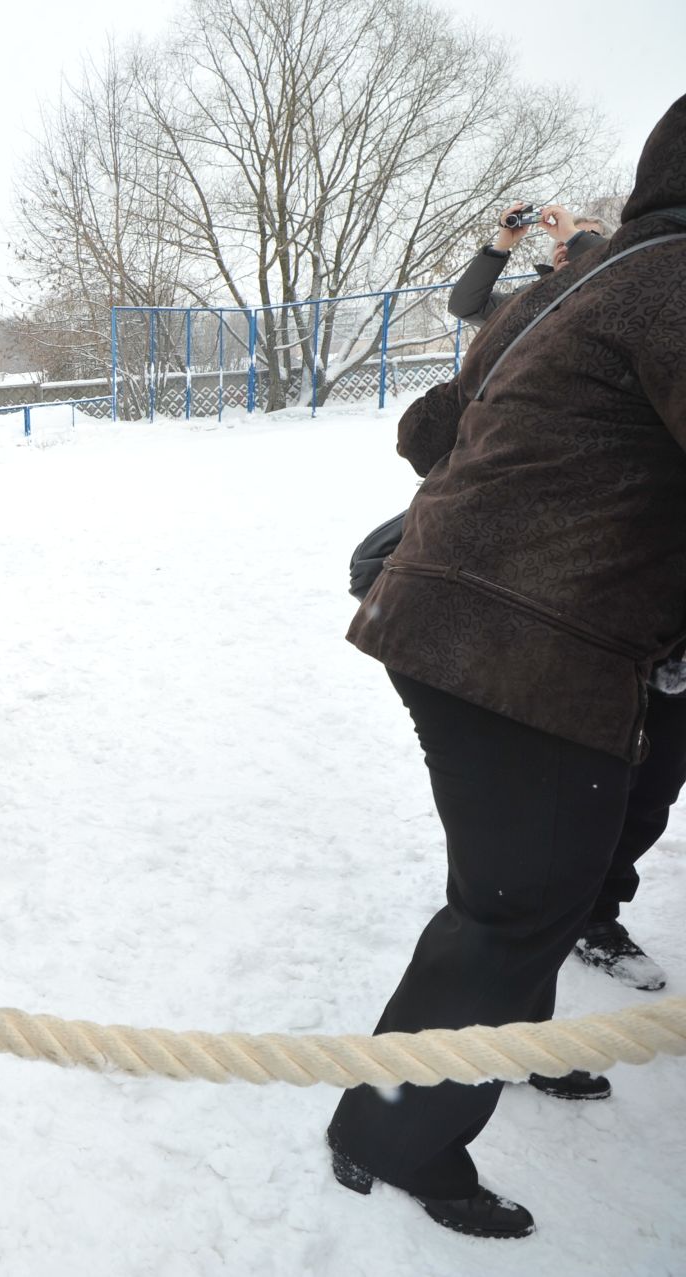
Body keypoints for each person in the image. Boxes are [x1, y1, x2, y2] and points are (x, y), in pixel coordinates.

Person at [327, 95, 686, 1240]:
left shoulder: (595, 275)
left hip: (464, 622)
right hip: (512, 645)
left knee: (556, 874)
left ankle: (520, 1042)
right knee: (517, 899)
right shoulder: (672, 281)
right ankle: (391, 1134)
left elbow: (432, 429)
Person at [446, 201, 609, 328]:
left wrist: (573, 236)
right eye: (562, 242)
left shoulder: (619, 288)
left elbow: (622, 264)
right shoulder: (530, 297)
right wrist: (500, 247)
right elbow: (466, 307)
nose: (568, 247)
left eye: (578, 240)